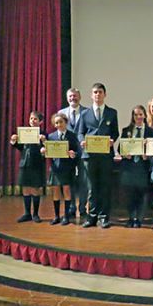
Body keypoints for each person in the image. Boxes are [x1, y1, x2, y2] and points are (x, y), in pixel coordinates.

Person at [78, 83, 120, 229]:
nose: (97, 95)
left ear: (105, 94)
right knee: (91, 187)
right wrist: (81, 141)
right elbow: (80, 132)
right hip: (89, 156)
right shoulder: (84, 113)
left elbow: (115, 132)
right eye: (95, 92)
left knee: (104, 186)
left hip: (105, 156)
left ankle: (104, 217)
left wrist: (112, 140)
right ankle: (92, 217)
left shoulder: (112, 113)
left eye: (100, 92)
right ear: (91, 95)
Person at [116, 105, 153, 228]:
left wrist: (147, 154)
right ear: (132, 116)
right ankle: (131, 217)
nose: (138, 117)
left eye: (140, 114)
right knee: (130, 194)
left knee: (142, 193)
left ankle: (139, 218)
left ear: (144, 115)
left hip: (143, 167)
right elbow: (119, 148)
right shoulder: (126, 130)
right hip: (129, 167)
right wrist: (124, 153)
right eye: (135, 115)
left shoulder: (150, 131)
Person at [58, 88, 89, 225]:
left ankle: (82, 208)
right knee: (68, 182)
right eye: (70, 96)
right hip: (67, 154)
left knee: (83, 181)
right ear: (67, 98)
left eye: (75, 96)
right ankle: (70, 208)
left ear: (80, 97)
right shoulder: (61, 113)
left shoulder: (87, 112)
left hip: (83, 153)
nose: (73, 98)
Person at [9, 111, 46, 223]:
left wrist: (44, 141)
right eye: (31, 119)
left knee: (35, 189)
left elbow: (47, 150)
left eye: (35, 119)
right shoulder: (25, 132)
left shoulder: (43, 134)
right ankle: (27, 213)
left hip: (37, 164)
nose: (32, 121)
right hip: (25, 163)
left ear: (40, 121)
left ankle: (35, 214)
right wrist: (14, 141)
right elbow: (21, 147)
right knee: (25, 189)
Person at [42, 113, 78, 225]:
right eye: (56, 123)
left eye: (61, 122)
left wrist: (73, 154)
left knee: (67, 190)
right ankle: (57, 216)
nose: (59, 124)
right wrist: (44, 151)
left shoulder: (72, 135)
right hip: (55, 168)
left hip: (67, 168)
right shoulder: (51, 136)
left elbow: (77, 152)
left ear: (65, 122)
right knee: (56, 191)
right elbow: (48, 151)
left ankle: (66, 216)